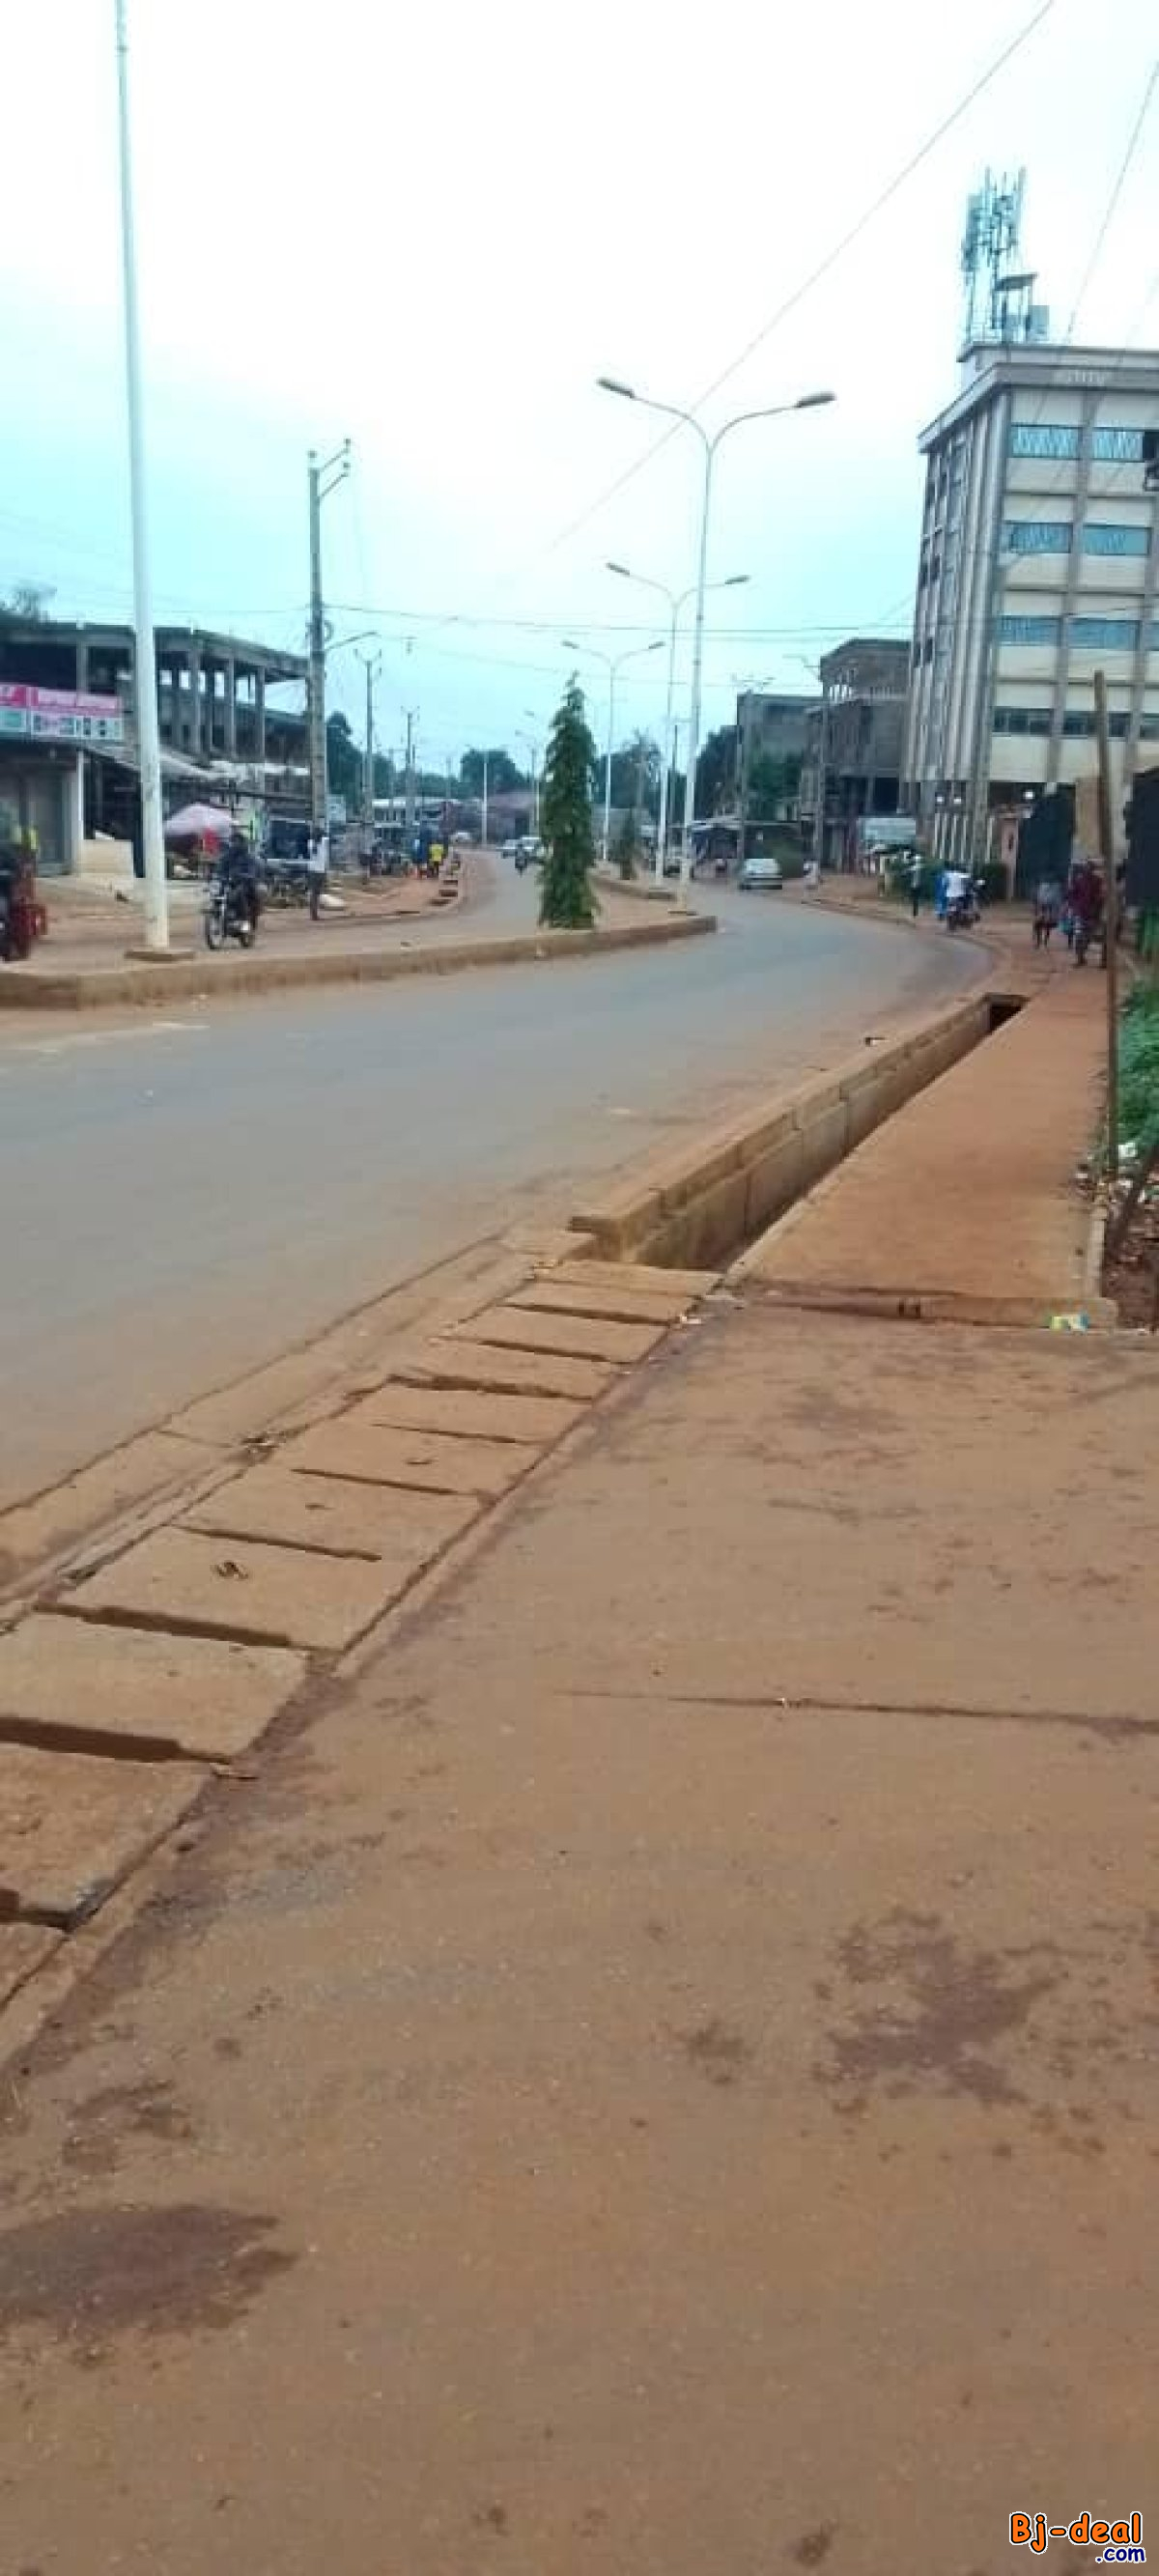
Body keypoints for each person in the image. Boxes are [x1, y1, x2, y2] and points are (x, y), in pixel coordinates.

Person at [221, 827, 260, 936]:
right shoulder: (227, 857)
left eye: (238, 841)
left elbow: (252, 874)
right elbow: (220, 870)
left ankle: (244, 920)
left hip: (245, 885)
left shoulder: (250, 858)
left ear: (243, 843)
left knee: (239, 892)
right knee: (215, 892)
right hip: (229, 884)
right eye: (233, 841)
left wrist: (242, 876)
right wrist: (216, 876)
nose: (235, 844)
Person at [306, 827, 328, 920]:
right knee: (314, 893)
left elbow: (330, 839)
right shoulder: (311, 843)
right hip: (314, 871)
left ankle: (315, 913)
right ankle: (313, 914)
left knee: (317, 893)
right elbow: (314, 851)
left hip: (321, 870)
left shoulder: (324, 841)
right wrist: (317, 840)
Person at [1032, 876, 1060, 950]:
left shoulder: (1054, 888)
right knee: (1040, 926)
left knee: (1044, 926)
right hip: (1044, 909)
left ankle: (1042, 943)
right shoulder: (1048, 887)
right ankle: (1041, 942)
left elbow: (1056, 901)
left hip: (1047, 910)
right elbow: (1037, 898)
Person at [907, 852, 923, 920]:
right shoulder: (921, 866)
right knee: (916, 899)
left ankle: (914, 914)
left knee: (914, 899)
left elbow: (907, 871)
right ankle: (916, 913)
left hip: (914, 885)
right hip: (919, 885)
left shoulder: (915, 867)